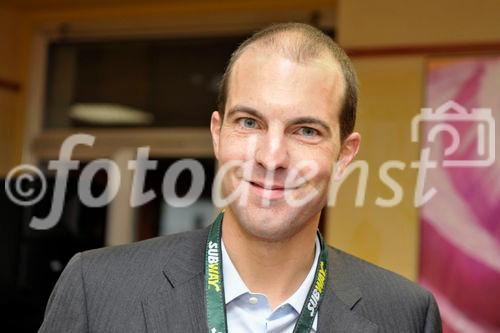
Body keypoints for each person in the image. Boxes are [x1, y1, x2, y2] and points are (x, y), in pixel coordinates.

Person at [39, 22, 442, 332]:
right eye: (249, 122)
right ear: (218, 134)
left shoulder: (404, 315)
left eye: (306, 131)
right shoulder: (98, 290)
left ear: (344, 156)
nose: (271, 156)